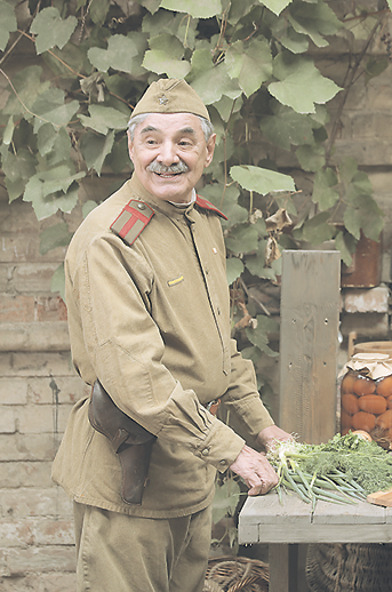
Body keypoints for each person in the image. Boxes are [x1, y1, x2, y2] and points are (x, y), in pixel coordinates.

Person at [52, 78, 292, 592]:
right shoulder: (109, 240)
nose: (168, 157)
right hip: (131, 480)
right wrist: (231, 450)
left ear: (208, 150)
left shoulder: (202, 222)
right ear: (132, 148)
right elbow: (136, 378)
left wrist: (261, 425)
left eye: (184, 141)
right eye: (152, 141)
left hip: (189, 475)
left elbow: (217, 344)